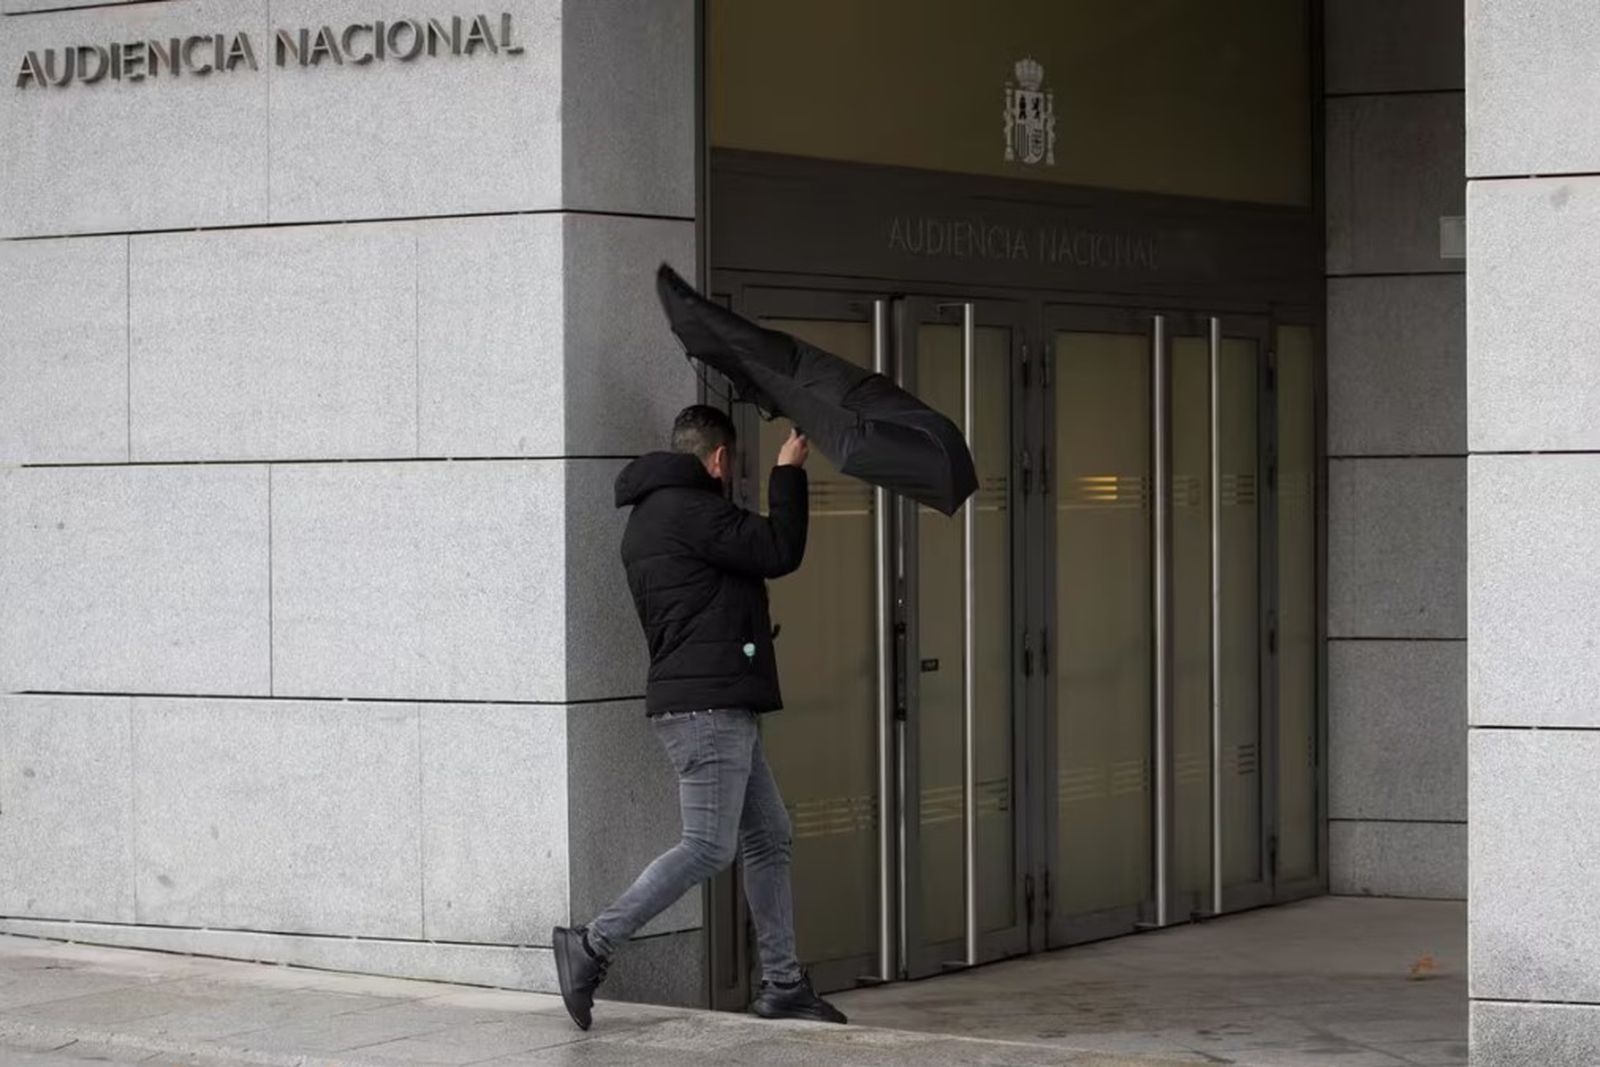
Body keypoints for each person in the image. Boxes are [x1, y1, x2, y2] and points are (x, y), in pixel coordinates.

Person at [552, 404, 847, 1030]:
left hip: (711, 703)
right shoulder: (692, 510)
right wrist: (787, 471)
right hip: (707, 710)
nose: (728, 472)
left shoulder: (651, 518)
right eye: (730, 462)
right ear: (717, 458)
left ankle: (782, 982)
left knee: (769, 836)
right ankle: (592, 944)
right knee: (709, 846)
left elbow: (711, 592)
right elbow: (777, 548)